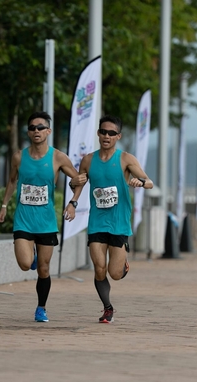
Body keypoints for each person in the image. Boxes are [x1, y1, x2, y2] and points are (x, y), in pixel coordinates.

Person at [0, 111, 85, 322]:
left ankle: (41, 307)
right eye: (32, 128)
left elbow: (79, 179)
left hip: (46, 222)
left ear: (48, 131)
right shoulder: (19, 156)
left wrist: (73, 202)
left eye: (40, 127)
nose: (36, 131)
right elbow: (12, 181)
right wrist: (4, 204)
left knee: (44, 269)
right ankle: (32, 256)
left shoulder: (57, 157)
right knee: (25, 264)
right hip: (24, 219)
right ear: (28, 132)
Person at [77, 115, 153, 324]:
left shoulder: (126, 159)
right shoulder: (88, 160)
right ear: (98, 133)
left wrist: (139, 182)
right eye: (103, 132)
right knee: (99, 267)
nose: (106, 136)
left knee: (115, 273)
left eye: (111, 133)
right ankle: (107, 308)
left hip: (119, 223)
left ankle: (123, 265)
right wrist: (72, 199)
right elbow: (78, 183)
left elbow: (149, 182)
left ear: (118, 136)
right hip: (97, 222)